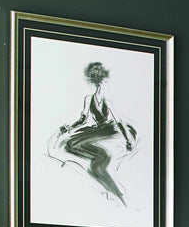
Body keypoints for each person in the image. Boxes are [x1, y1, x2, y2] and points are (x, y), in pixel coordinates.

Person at [48, 61, 138, 203]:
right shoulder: (88, 99)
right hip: (97, 131)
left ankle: (114, 190)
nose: (108, 85)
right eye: (106, 81)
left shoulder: (108, 102)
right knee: (72, 144)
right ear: (101, 83)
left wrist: (128, 140)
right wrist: (69, 128)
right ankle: (106, 185)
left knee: (102, 160)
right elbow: (82, 119)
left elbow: (119, 121)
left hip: (108, 130)